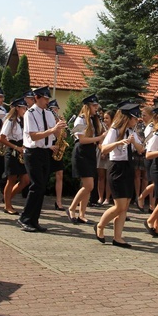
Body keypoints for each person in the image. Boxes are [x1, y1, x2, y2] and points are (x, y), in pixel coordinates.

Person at [94, 103, 144, 248]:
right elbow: (104, 148)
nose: (136, 121)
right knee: (119, 205)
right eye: (134, 118)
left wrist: (134, 141)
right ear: (127, 118)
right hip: (116, 167)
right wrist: (118, 142)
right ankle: (100, 225)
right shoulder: (115, 131)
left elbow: (141, 150)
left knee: (125, 205)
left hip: (128, 166)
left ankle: (118, 237)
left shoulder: (131, 132)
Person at [18, 86, 66, 233]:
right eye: (45, 98)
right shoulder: (30, 114)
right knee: (36, 185)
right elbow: (33, 135)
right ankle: (25, 218)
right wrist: (52, 130)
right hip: (32, 152)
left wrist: (60, 131)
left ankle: (34, 220)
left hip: (45, 153)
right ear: (37, 98)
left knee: (41, 186)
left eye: (48, 99)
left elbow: (54, 135)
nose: (47, 101)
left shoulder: (49, 113)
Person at [68, 94, 106, 223]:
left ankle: (82, 214)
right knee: (89, 186)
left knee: (88, 185)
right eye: (94, 106)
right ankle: (72, 208)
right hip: (81, 153)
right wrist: (99, 138)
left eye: (97, 106)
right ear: (87, 106)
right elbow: (81, 139)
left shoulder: (93, 120)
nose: (96, 108)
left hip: (90, 153)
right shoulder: (80, 119)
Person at [0, 97, 29, 215]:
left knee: (25, 180)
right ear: (17, 108)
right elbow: (1, 138)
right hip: (12, 150)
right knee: (11, 179)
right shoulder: (10, 121)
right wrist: (16, 147)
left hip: (21, 149)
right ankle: (7, 205)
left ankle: (7, 199)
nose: (25, 110)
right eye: (23, 108)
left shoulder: (22, 121)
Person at [47, 99, 66, 213]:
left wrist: (61, 127)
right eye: (53, 109)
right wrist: (49, 146)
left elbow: (64, 135)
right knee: (44, 175)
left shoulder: (60, 120)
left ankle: (59, 201)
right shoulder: (46, 121)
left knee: (59, 174)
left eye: (56, 109)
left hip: (57, 147)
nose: (55, 111)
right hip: (47, 147)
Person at [96, 109, 115, 206]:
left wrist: (107, 151)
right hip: (101, 153)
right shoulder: (102, 128)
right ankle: (100, 197)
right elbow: (99, 142)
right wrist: (102, 150)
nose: (105, 120)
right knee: (101, 177)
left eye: (107, 118)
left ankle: (107, 198)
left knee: (108, 177)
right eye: (104, 118)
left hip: (110, 154)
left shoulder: (114, 129)